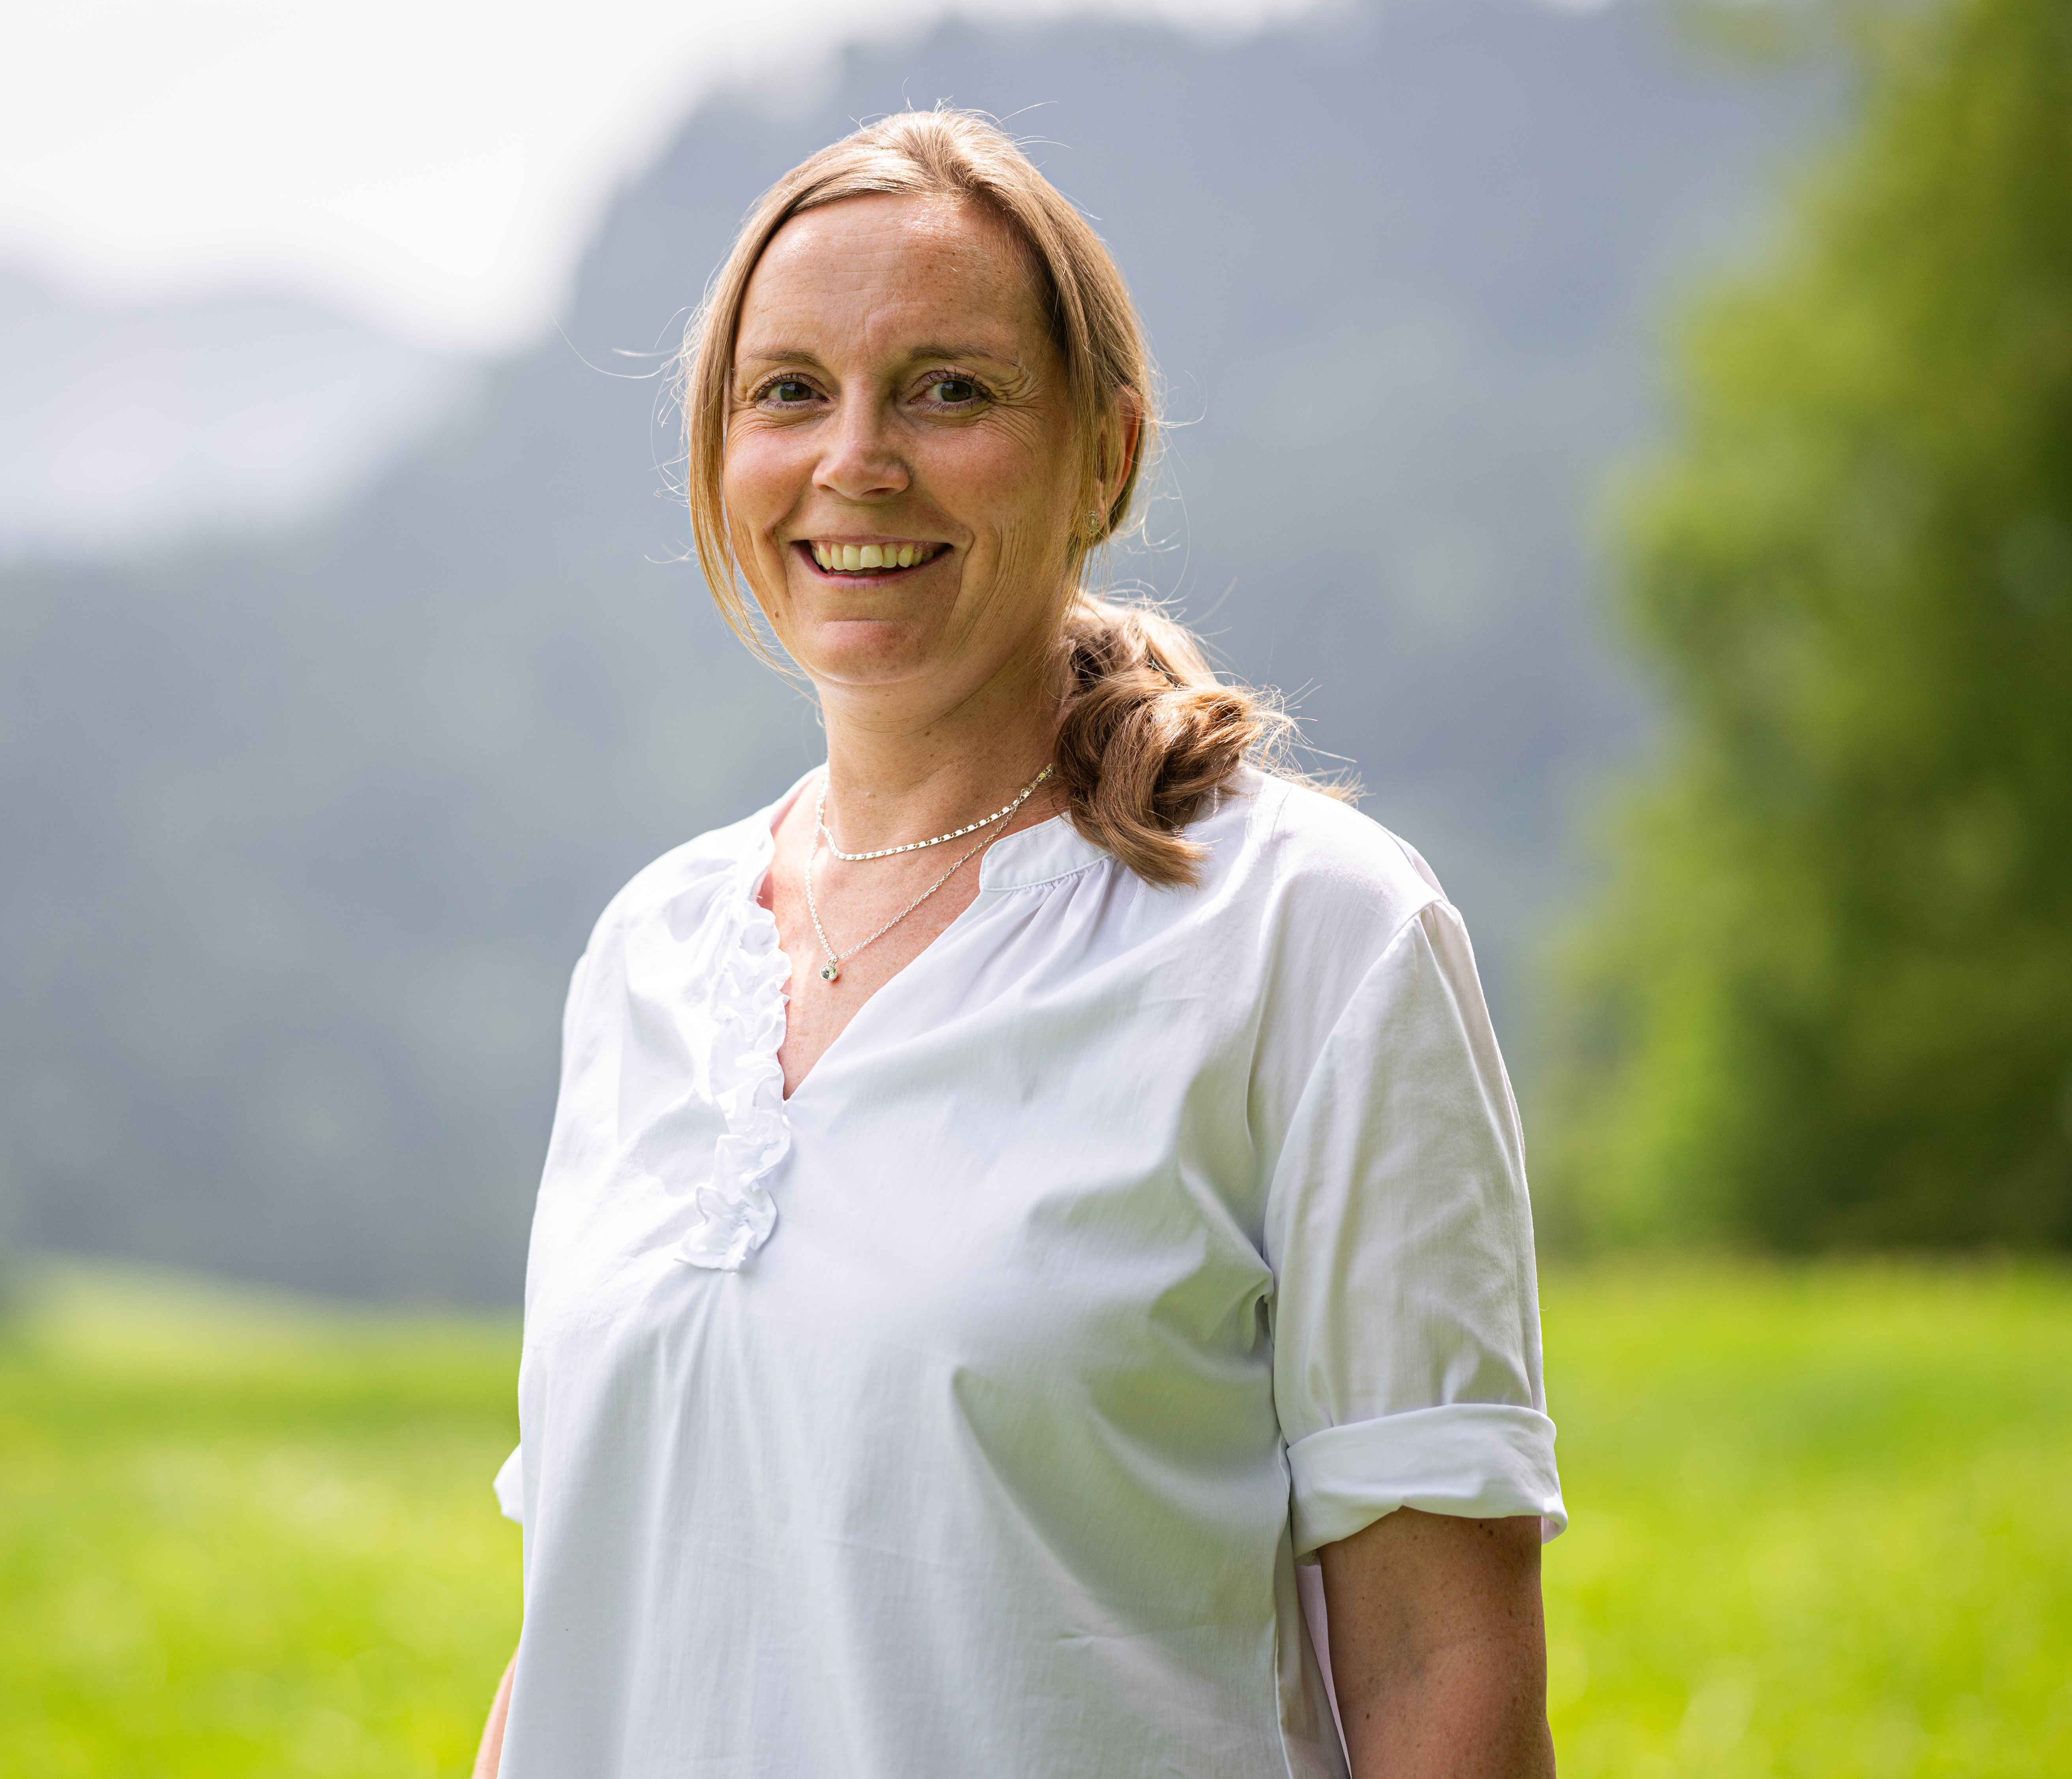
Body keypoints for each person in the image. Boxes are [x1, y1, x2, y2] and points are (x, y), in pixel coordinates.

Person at [474, 110, 1563, 1779]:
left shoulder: (1313, 937)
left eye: (949, 390)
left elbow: (1441, 1669)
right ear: (716, 452)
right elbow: (590, 1624)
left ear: (1107, 456)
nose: (856, 459)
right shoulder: (652, 952)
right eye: (788, 392)